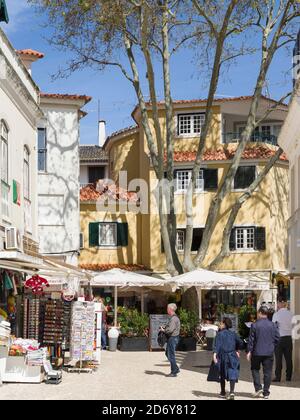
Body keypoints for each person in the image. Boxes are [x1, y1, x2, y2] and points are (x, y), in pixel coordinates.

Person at [247, 306, 280, 399]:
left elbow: (251, 340)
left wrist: (249, 351)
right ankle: (266, 393)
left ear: (261, 313)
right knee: (268, 372)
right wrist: (272, 346)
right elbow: (278, 338)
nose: (257, 314)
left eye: (258, 313)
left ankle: (258, 388)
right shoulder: (273, 325)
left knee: (254, 369)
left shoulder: (254, 325)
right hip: (269, 352)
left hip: (257, 352)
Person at [213, 318, 244, 400]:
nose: (220, 324)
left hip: (223, 356)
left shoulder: (219, 334)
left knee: (222, 373)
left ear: (224, 324)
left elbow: (217, 345)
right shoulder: (233, 334)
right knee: (232, 372)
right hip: (232, 355)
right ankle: (232, 392)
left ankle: (223, 392)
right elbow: (241, 342)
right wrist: (238, 350)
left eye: (221, 323)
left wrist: (214, 355)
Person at [272, 298, 294, 382]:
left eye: (277, 303)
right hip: (288, 338)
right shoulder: (291, 314)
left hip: (279, 339)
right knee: (289, 359)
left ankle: (278, 377)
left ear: (280, 303)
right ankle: (289, 377)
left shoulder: (276, 314)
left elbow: (274, 327)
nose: (277, 304)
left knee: (278, 359)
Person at [161, 303, 181, 377]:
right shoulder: (173, 318)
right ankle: (175, 368)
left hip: (173, 338)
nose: (166, 310)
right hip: (173, 338)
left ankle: (174, 372)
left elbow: (170, 330)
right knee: (168, 353)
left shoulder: (173, 318)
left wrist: (163, 330)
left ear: (170, 309)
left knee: (170, 355)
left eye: (167, 308)